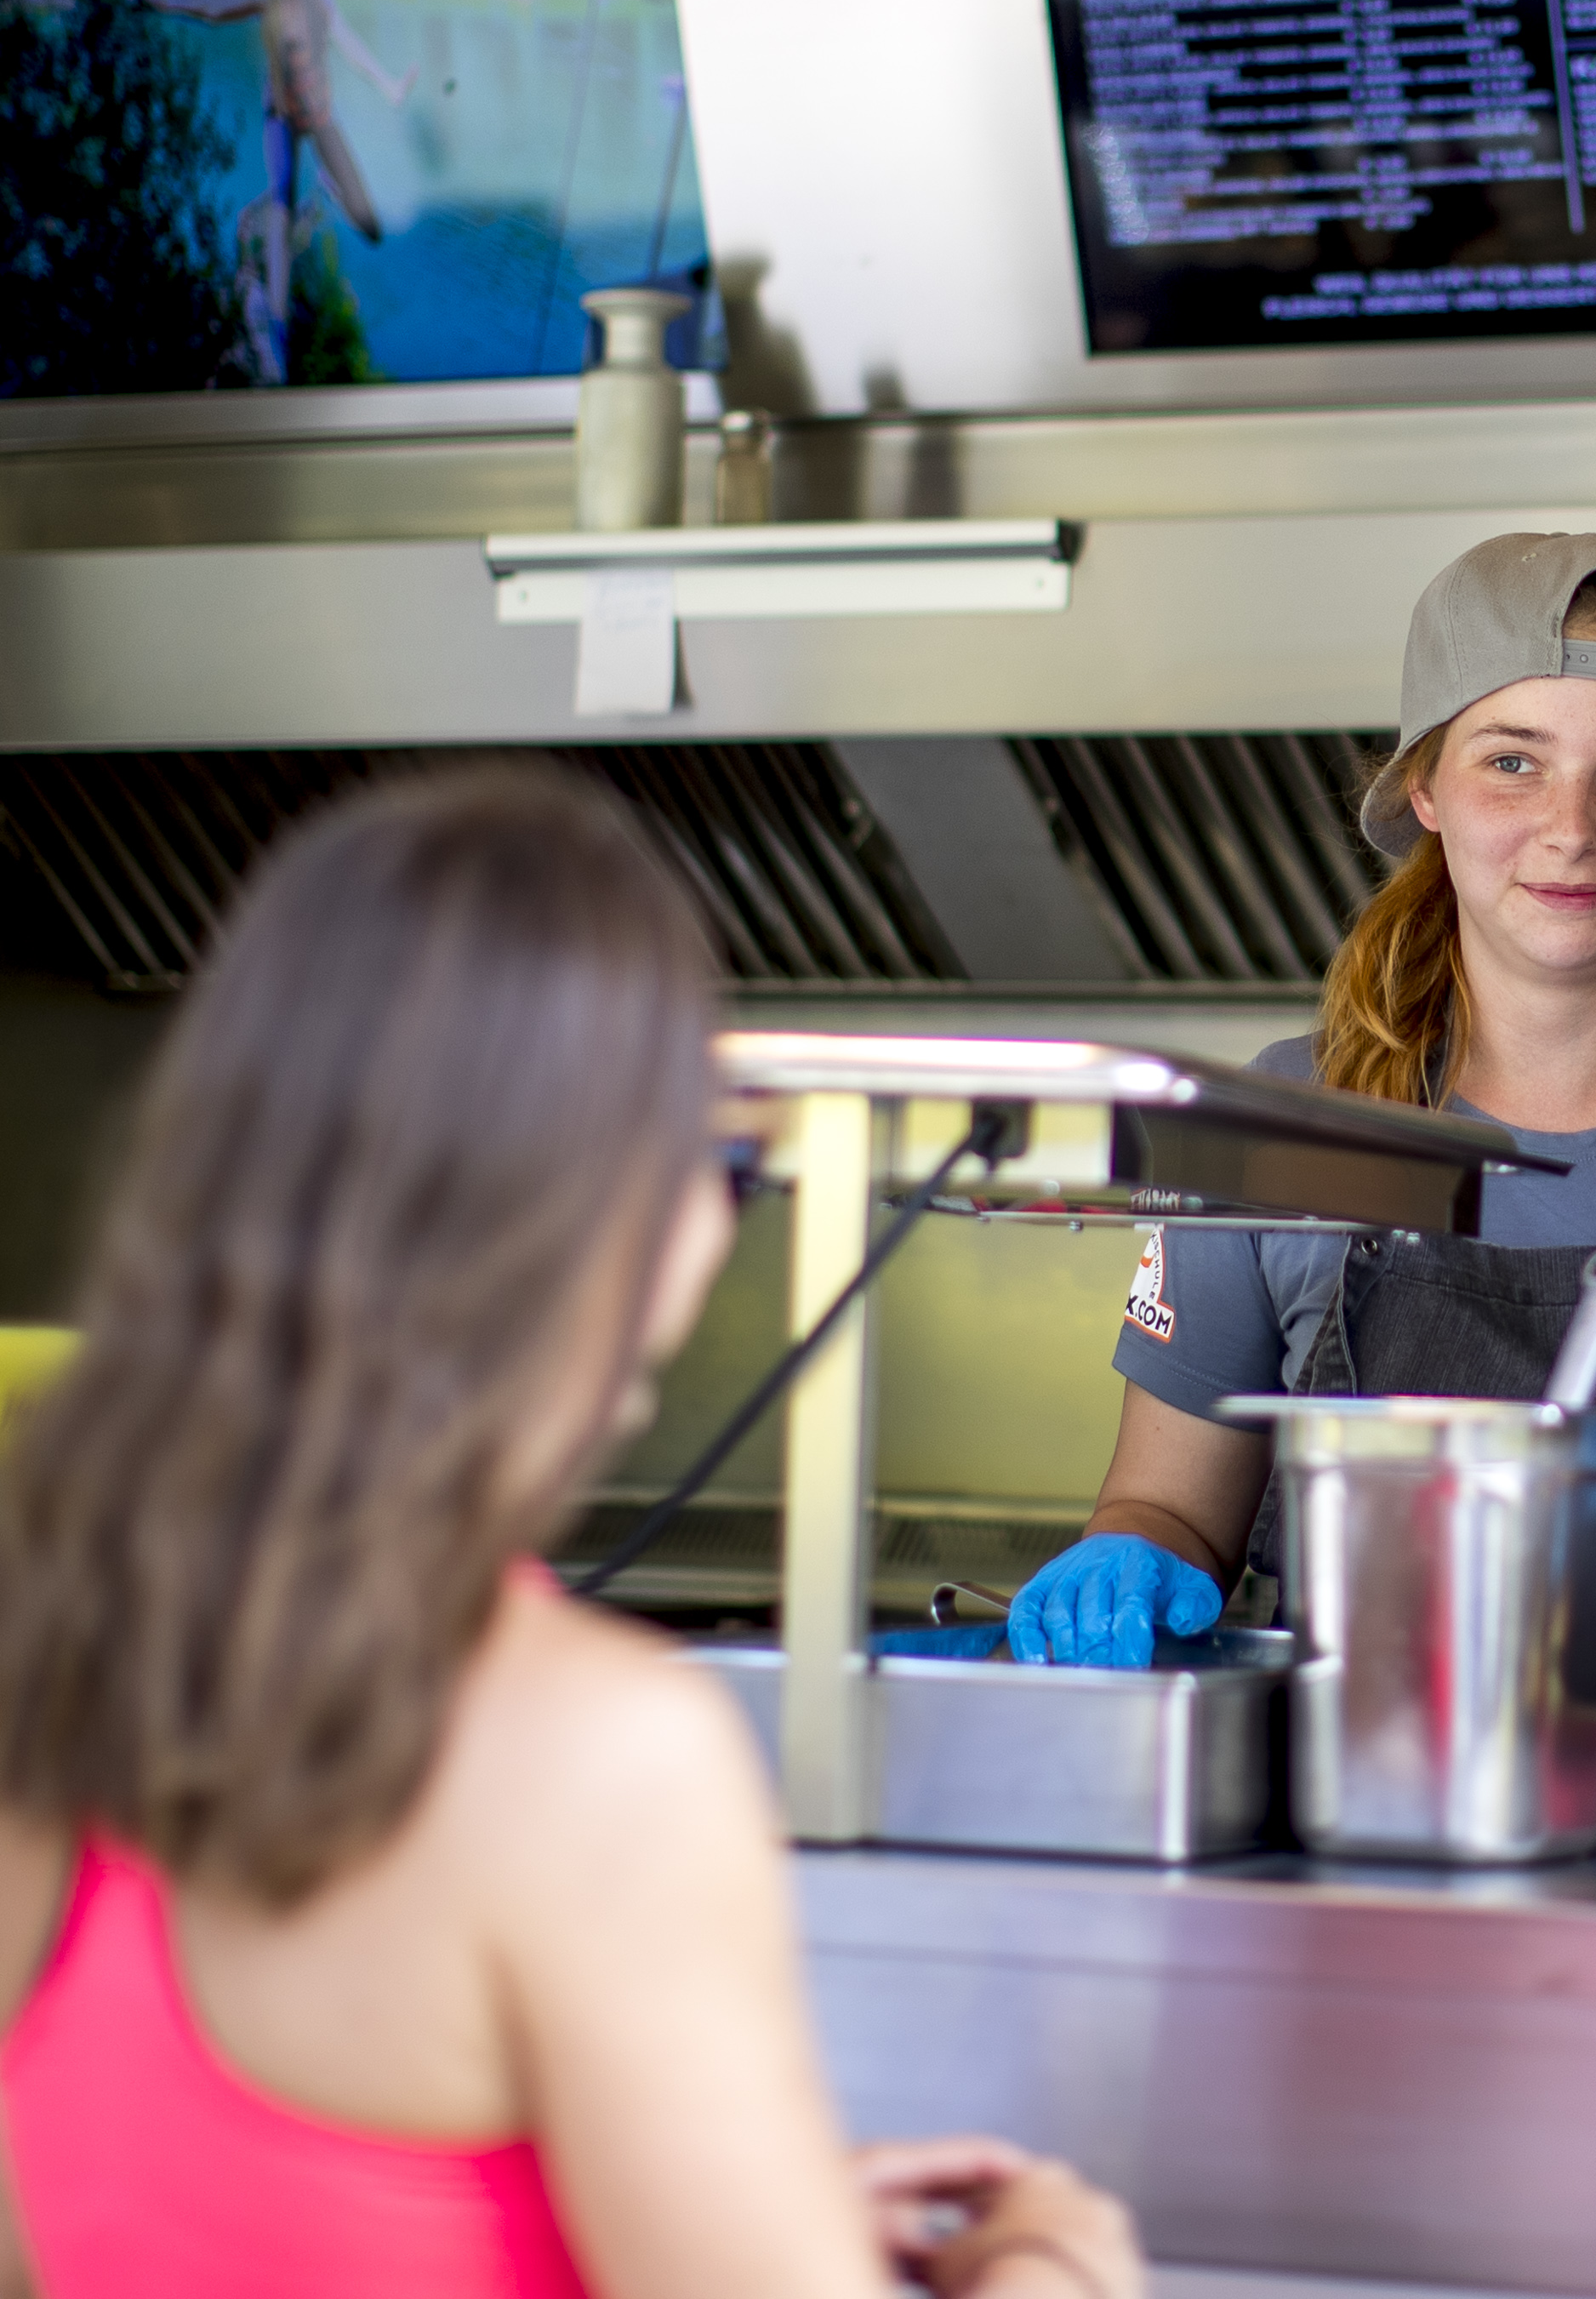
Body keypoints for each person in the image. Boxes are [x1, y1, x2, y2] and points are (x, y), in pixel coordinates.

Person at [0, 771, 1143, 2297]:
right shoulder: (600, 1752)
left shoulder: (54, 1632)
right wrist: (1052, 2277)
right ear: (620, 1204)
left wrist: (728, 2193)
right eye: (721, 1155)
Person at [1009, 533, 1596, 1781]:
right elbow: (1172, 1508)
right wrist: (1131, 1558)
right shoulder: (1279, 1128)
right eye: (1512, 761)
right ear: (1428, 789)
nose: (1570, 829)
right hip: (1358, 1835)